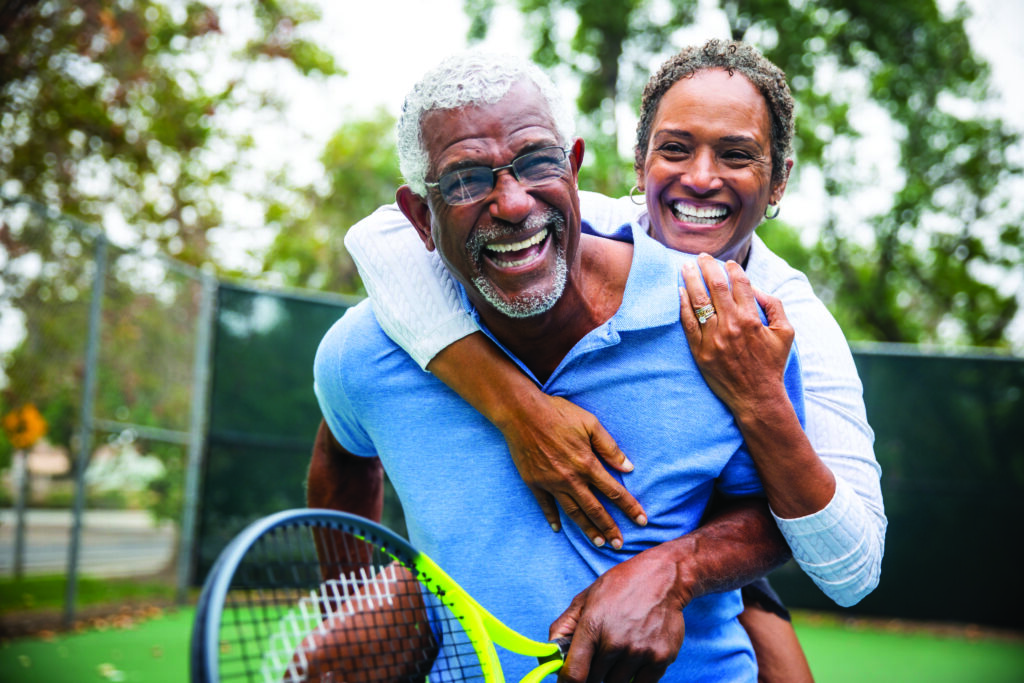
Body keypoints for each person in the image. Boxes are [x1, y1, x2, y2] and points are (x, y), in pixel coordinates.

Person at [341, 40, 886, 680]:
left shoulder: (790, 319)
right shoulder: (570, 219)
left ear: (778, 181)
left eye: (736, 155)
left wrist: (754, 402)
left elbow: (850, 567)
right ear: (639, 162)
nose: (702, 177)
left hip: (724, 534)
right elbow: (380, 237)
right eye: (676, 149)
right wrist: (520, 411)